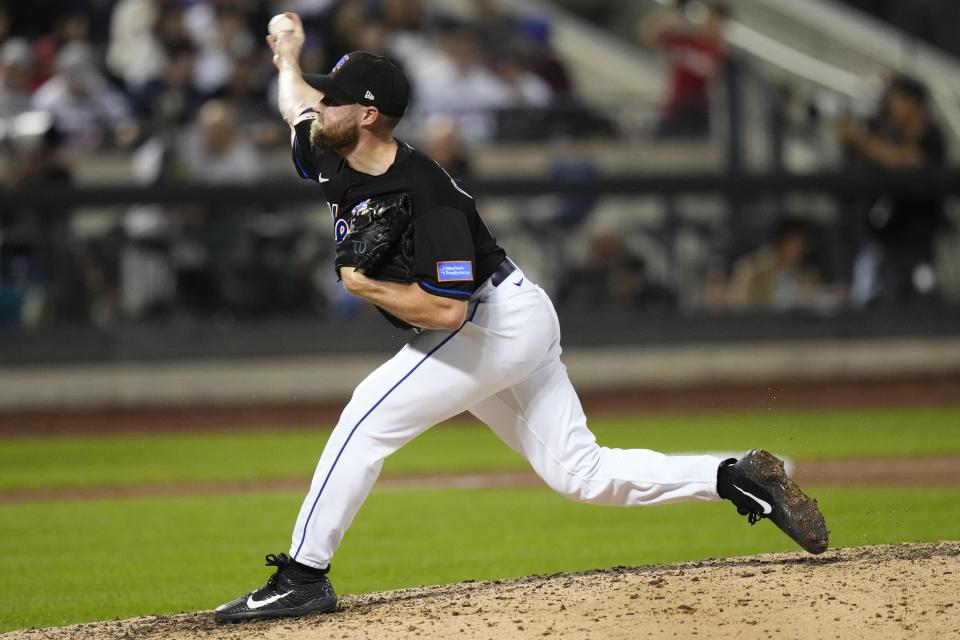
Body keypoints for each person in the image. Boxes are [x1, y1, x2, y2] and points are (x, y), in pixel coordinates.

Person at [212, 12, 828, 622]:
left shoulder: (426, 195)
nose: (318, 109)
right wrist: (287, 55)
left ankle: (302, 576)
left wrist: (364, 285)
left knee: (364, 419)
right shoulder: (333, 152)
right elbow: (293, 102)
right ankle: (735, 476)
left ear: (368, 116)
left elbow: (448, 312)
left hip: (490, 320)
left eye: (334, 101)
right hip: (504, 319)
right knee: (580, 473)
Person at [836, 75, 947, 304]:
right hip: (888, 233)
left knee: (919, 298)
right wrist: (854, 141)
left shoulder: (932, 135)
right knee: (887, 297)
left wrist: (862, 141)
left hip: (920, 236)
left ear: (914, 102)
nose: (891, 106)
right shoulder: (889, 132)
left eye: (897, 99)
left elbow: (909, 161)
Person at [640, 1, 729, 138]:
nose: (710, 25)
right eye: (709, 19)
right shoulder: (683, 39)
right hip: (674, 109)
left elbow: (718, 82)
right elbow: (648, 36)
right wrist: (673, 11)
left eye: (716, 22)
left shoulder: (719, 52)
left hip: (699, 112)